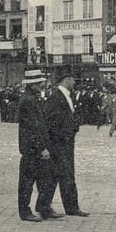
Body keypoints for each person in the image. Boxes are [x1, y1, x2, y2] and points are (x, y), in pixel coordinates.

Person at [39, 69, 88, 217]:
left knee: (62, 175)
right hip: (59, 143)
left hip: (65, 142)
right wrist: (60, 136)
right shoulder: (56, 97)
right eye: (73, 79)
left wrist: (74, 126)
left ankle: (64, 207)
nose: (74, 82)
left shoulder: (66, 96)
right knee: (60, 174)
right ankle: (48, 207)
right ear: (66, 80)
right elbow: (49, 121)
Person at [16, 69, 54, 222]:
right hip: (32, 149)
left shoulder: (32, 99)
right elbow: (33, 127)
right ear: (32, 85)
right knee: (27, 182)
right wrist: (41, 147)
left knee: (44, 180)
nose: (41, 85)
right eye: (38, 83)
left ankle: (44, 208)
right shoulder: (29, 101)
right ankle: (25, 211)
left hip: (34, 148)